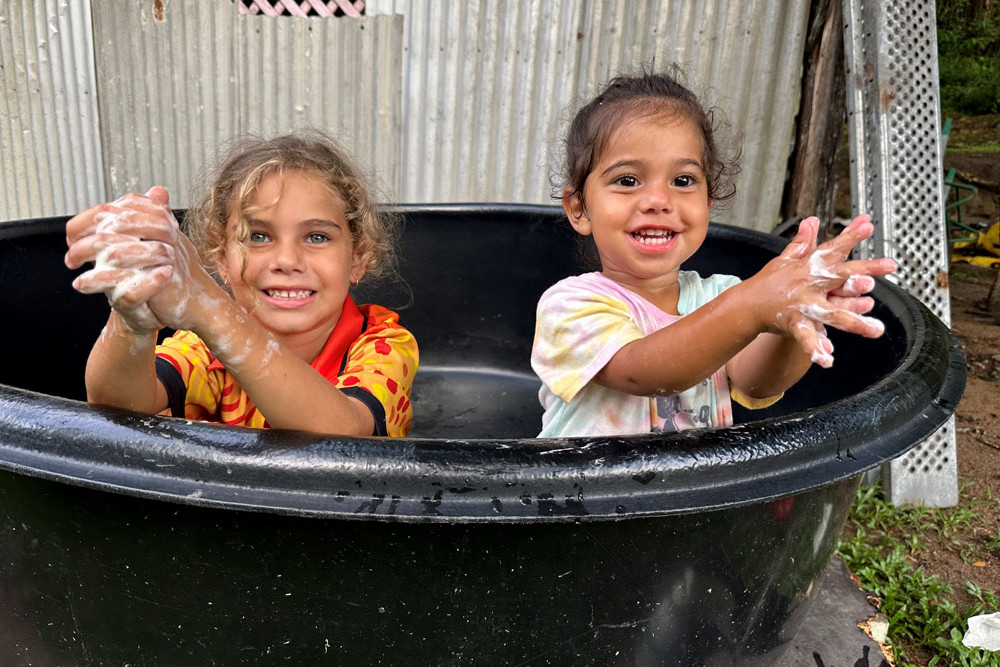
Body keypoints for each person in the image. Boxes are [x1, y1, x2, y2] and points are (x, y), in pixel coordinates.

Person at [531, 69, 897, 437]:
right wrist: (752, 305)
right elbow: (641, 370)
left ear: (708, 200)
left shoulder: (719, 296)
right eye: (627, 180)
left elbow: (758, 384)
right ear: (579, 208)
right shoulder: (570, 307)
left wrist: (790, 317)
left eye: (683, 181)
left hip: (692, 492)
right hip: (586, 492)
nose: (659, 200)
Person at [64, 133, 417, 437]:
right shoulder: (202, 348)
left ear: (358, 257)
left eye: (317, 236)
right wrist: (132, 320)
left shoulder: (385, 346)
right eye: (259, 236)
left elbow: (341, 434)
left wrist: (212, 308)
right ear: (222, 259)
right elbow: (117, 408)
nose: (288, 260)